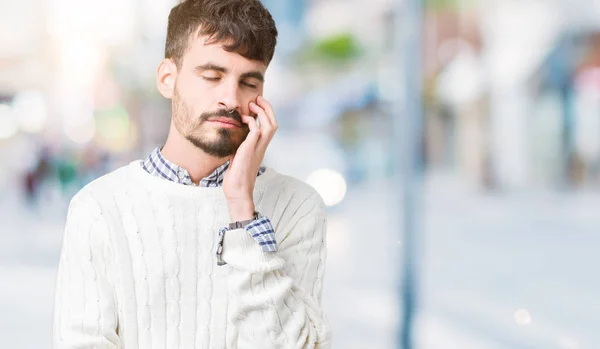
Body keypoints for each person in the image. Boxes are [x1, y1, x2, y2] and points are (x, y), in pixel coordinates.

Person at [52, 0, 332, 348]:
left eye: (248, 82)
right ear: (168, 79)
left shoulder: (299, 207)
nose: (230, 97)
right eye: (212, 76)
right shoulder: (98, 208)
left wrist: (242, 212)